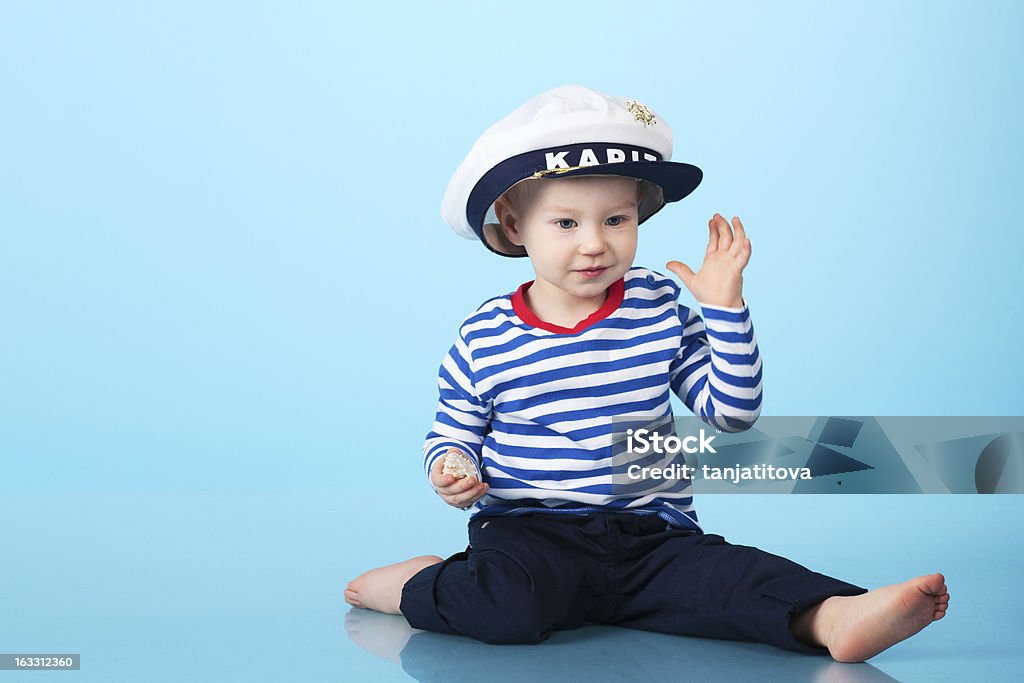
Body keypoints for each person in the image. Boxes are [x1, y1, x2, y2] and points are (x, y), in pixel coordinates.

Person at [344, 86, 949, 662]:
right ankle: (412, 584)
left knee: (732, 578)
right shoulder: (485, 336)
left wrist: (725, 310)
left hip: (650, 535)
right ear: (512, 222)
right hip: (530, 532)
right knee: (507, 605)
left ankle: (833, 617)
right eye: (565, 223)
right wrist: (452, 468)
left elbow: (731, 414)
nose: (594, 245)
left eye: (616, 220)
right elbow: (452, 431)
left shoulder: (656, 306)